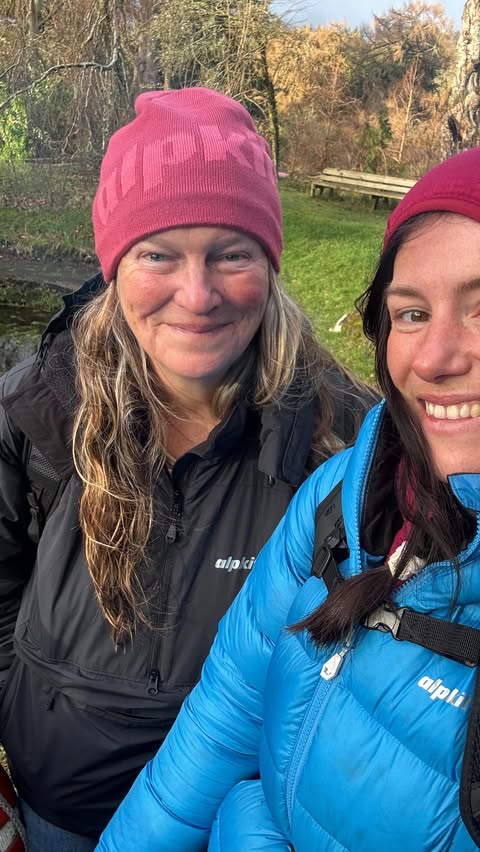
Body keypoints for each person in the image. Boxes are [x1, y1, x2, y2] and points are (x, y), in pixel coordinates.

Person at [0, 87, 374, 851]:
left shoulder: (346, 435)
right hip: (58, 816)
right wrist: (20, 695)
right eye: (158, 255)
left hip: (241, 822)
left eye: (231, 254)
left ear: (268, 263)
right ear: (115, 265)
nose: (196, 296)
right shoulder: (38, 406)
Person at [95, 144, 480, 852]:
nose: (435, 359)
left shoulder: (324, 431)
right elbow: (225, 715)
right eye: (413, 313)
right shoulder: (349, 493)